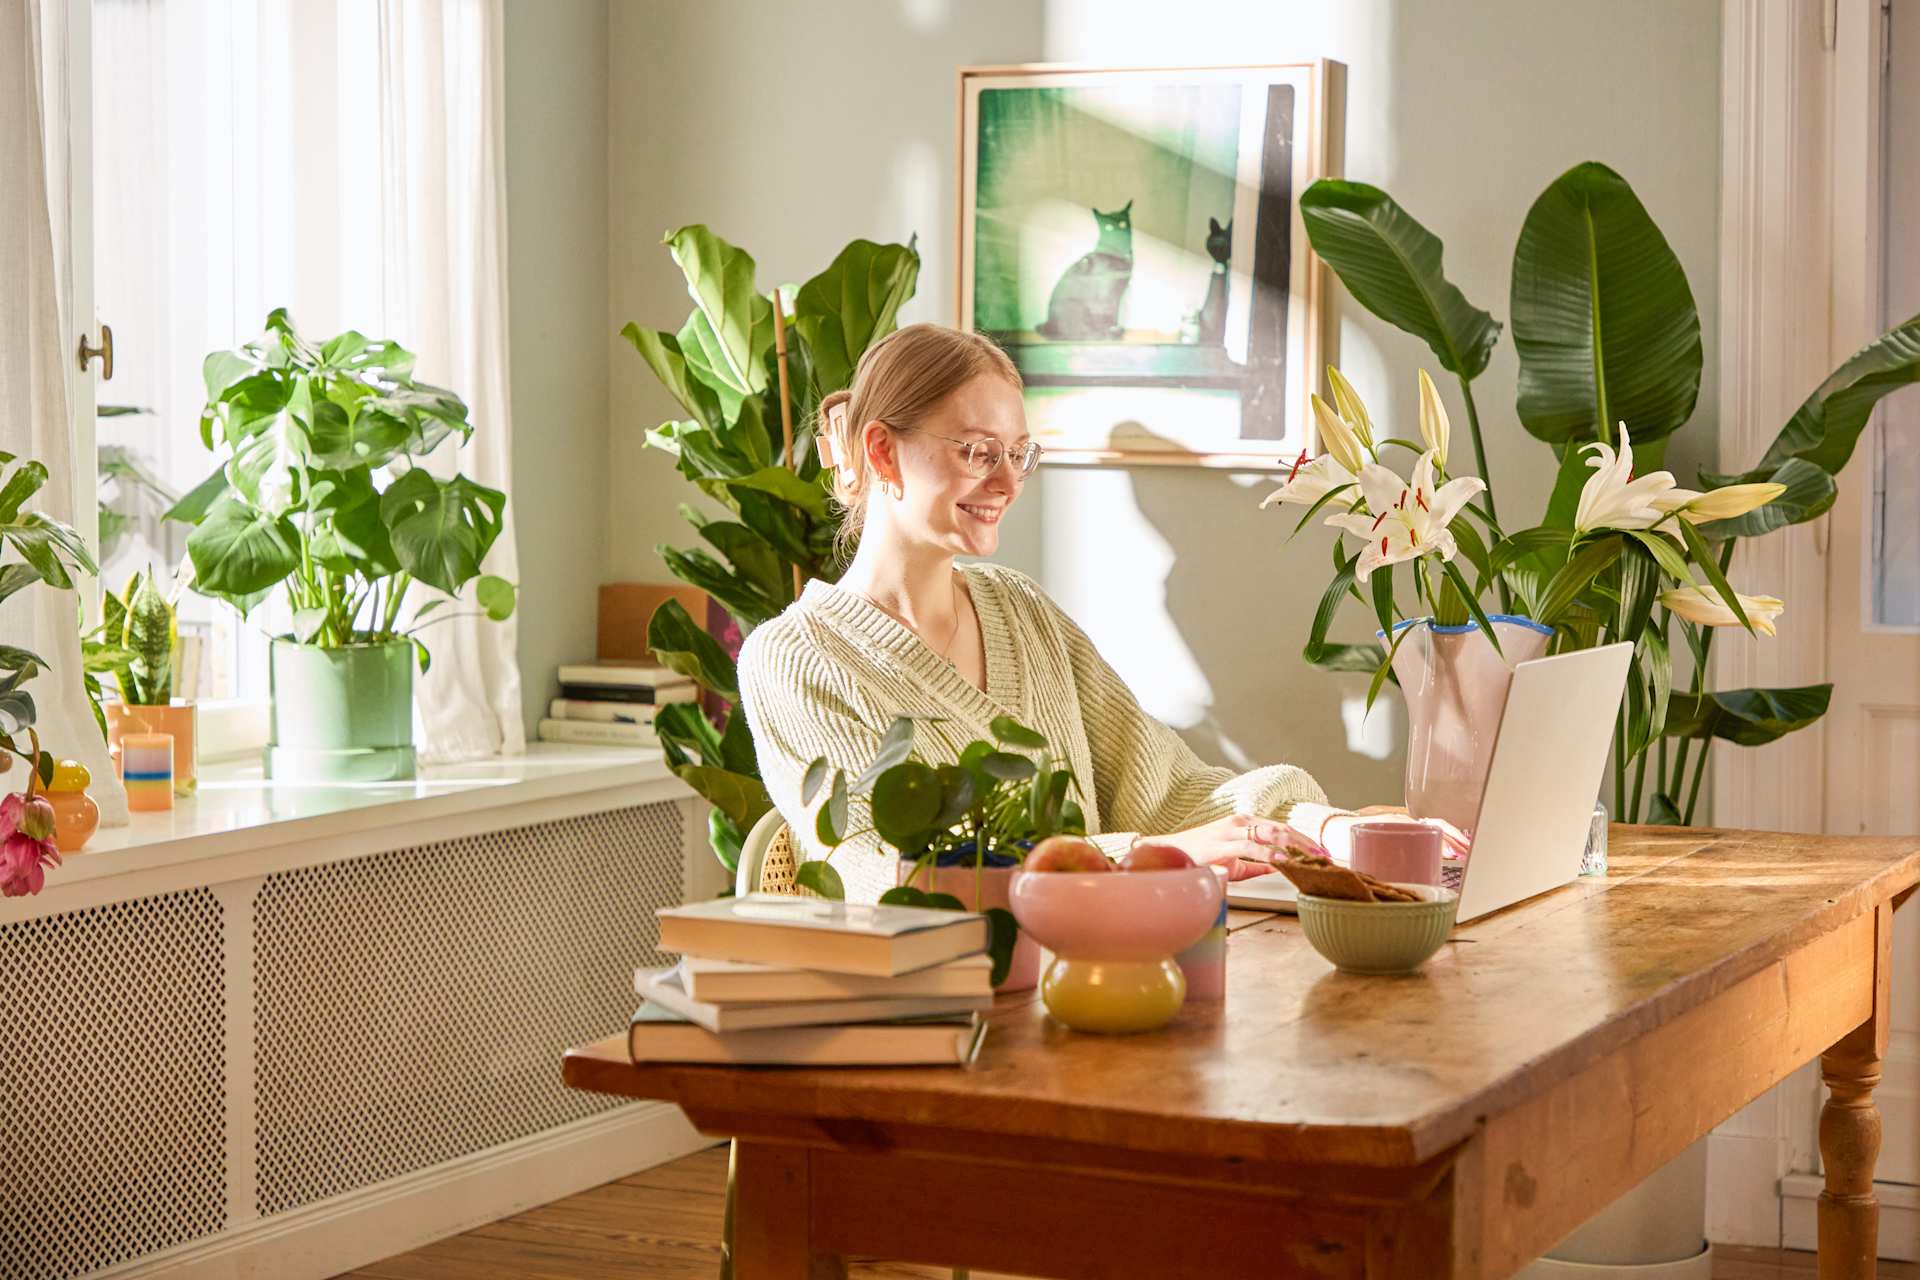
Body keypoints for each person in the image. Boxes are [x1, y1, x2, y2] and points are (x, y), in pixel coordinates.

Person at [736, 322, 1330, 903]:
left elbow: (1166, 788)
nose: (1008, 482)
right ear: (883, 451)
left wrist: (1328, 829)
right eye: (978, 452)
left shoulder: (1021, 609)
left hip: (1093, 970)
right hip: (932, 990)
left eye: (1019, 454)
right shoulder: (792, 659)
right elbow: (894, 874)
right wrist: (1152, 858)